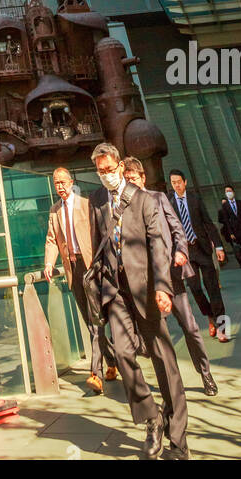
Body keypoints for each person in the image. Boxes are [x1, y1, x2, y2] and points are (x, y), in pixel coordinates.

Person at [88, 143, 189, 460]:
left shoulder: (145, 199)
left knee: (164, 361)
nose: (105, 176)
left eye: (108, 169)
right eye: (99, 171)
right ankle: (152, 419)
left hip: (146, 289)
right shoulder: (96, 202)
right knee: (122, 353)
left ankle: (179, 441)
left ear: (119, 166)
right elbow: (99, 246)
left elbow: (159, 245)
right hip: (115, 291)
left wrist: (162, 286)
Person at [123, 157, 218, 398]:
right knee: (159, 335)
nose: (131, 183)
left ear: (143, 178)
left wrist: (180, 251)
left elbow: (178, 229)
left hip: (171, 275)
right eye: (127, 180)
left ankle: (205, 372)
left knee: (190, 327)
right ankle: (172, 385)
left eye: (134, 178)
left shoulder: (158, 198)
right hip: (146, 282)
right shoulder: (123, 207)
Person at [44, 165, 118, 393]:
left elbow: (99, 233)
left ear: (71, 182)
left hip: (90, 266)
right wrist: (48, 263)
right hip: (73, 269)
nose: (60, 187)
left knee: (98, 317)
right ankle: (112, 360)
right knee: (89, 318)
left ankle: (97, 372)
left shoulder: (86, 205)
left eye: (63, 182)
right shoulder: (54, 211)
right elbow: (52, 240)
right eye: (56, 184)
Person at [168, 170, 230, 342]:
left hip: (201, 248)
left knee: (213, 288)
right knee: (195, 288)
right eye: (173, 182)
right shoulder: (170, 202)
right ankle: (210, 315)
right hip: (185, 252)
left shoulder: (195, 199)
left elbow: (208, 223)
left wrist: (218, 246)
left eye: (179, 181)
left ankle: (222, 328)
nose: (176, 185)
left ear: (185, 182)